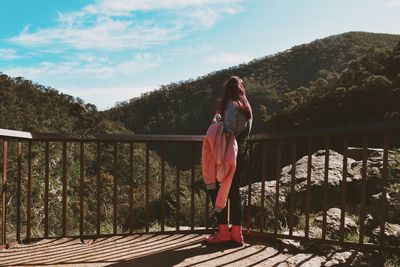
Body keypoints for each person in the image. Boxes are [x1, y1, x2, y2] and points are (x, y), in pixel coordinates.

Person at [205, 75, 252, 245]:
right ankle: (237, 234)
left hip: (230, 154)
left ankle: (223, 232)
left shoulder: (232, 105)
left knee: (219, 191)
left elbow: (228, 130)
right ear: (241, 89)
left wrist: (217, 119)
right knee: (234, 193)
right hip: (243, 154)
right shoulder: (246, 106)